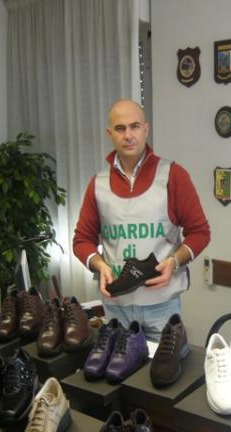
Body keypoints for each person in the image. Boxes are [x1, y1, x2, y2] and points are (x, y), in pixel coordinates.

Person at [73, 99, 210, 341]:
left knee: (165, 367)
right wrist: (100, 265)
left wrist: (174, 262)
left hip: (162, 307)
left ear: (146, 130)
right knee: (117, 366)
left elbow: (200, 232)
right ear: (110, 134)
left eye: (134, 126)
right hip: (115, 307)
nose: (128, 135)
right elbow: (81, 240)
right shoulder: (98, 184)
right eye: (120, 128)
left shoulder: (173, 176)